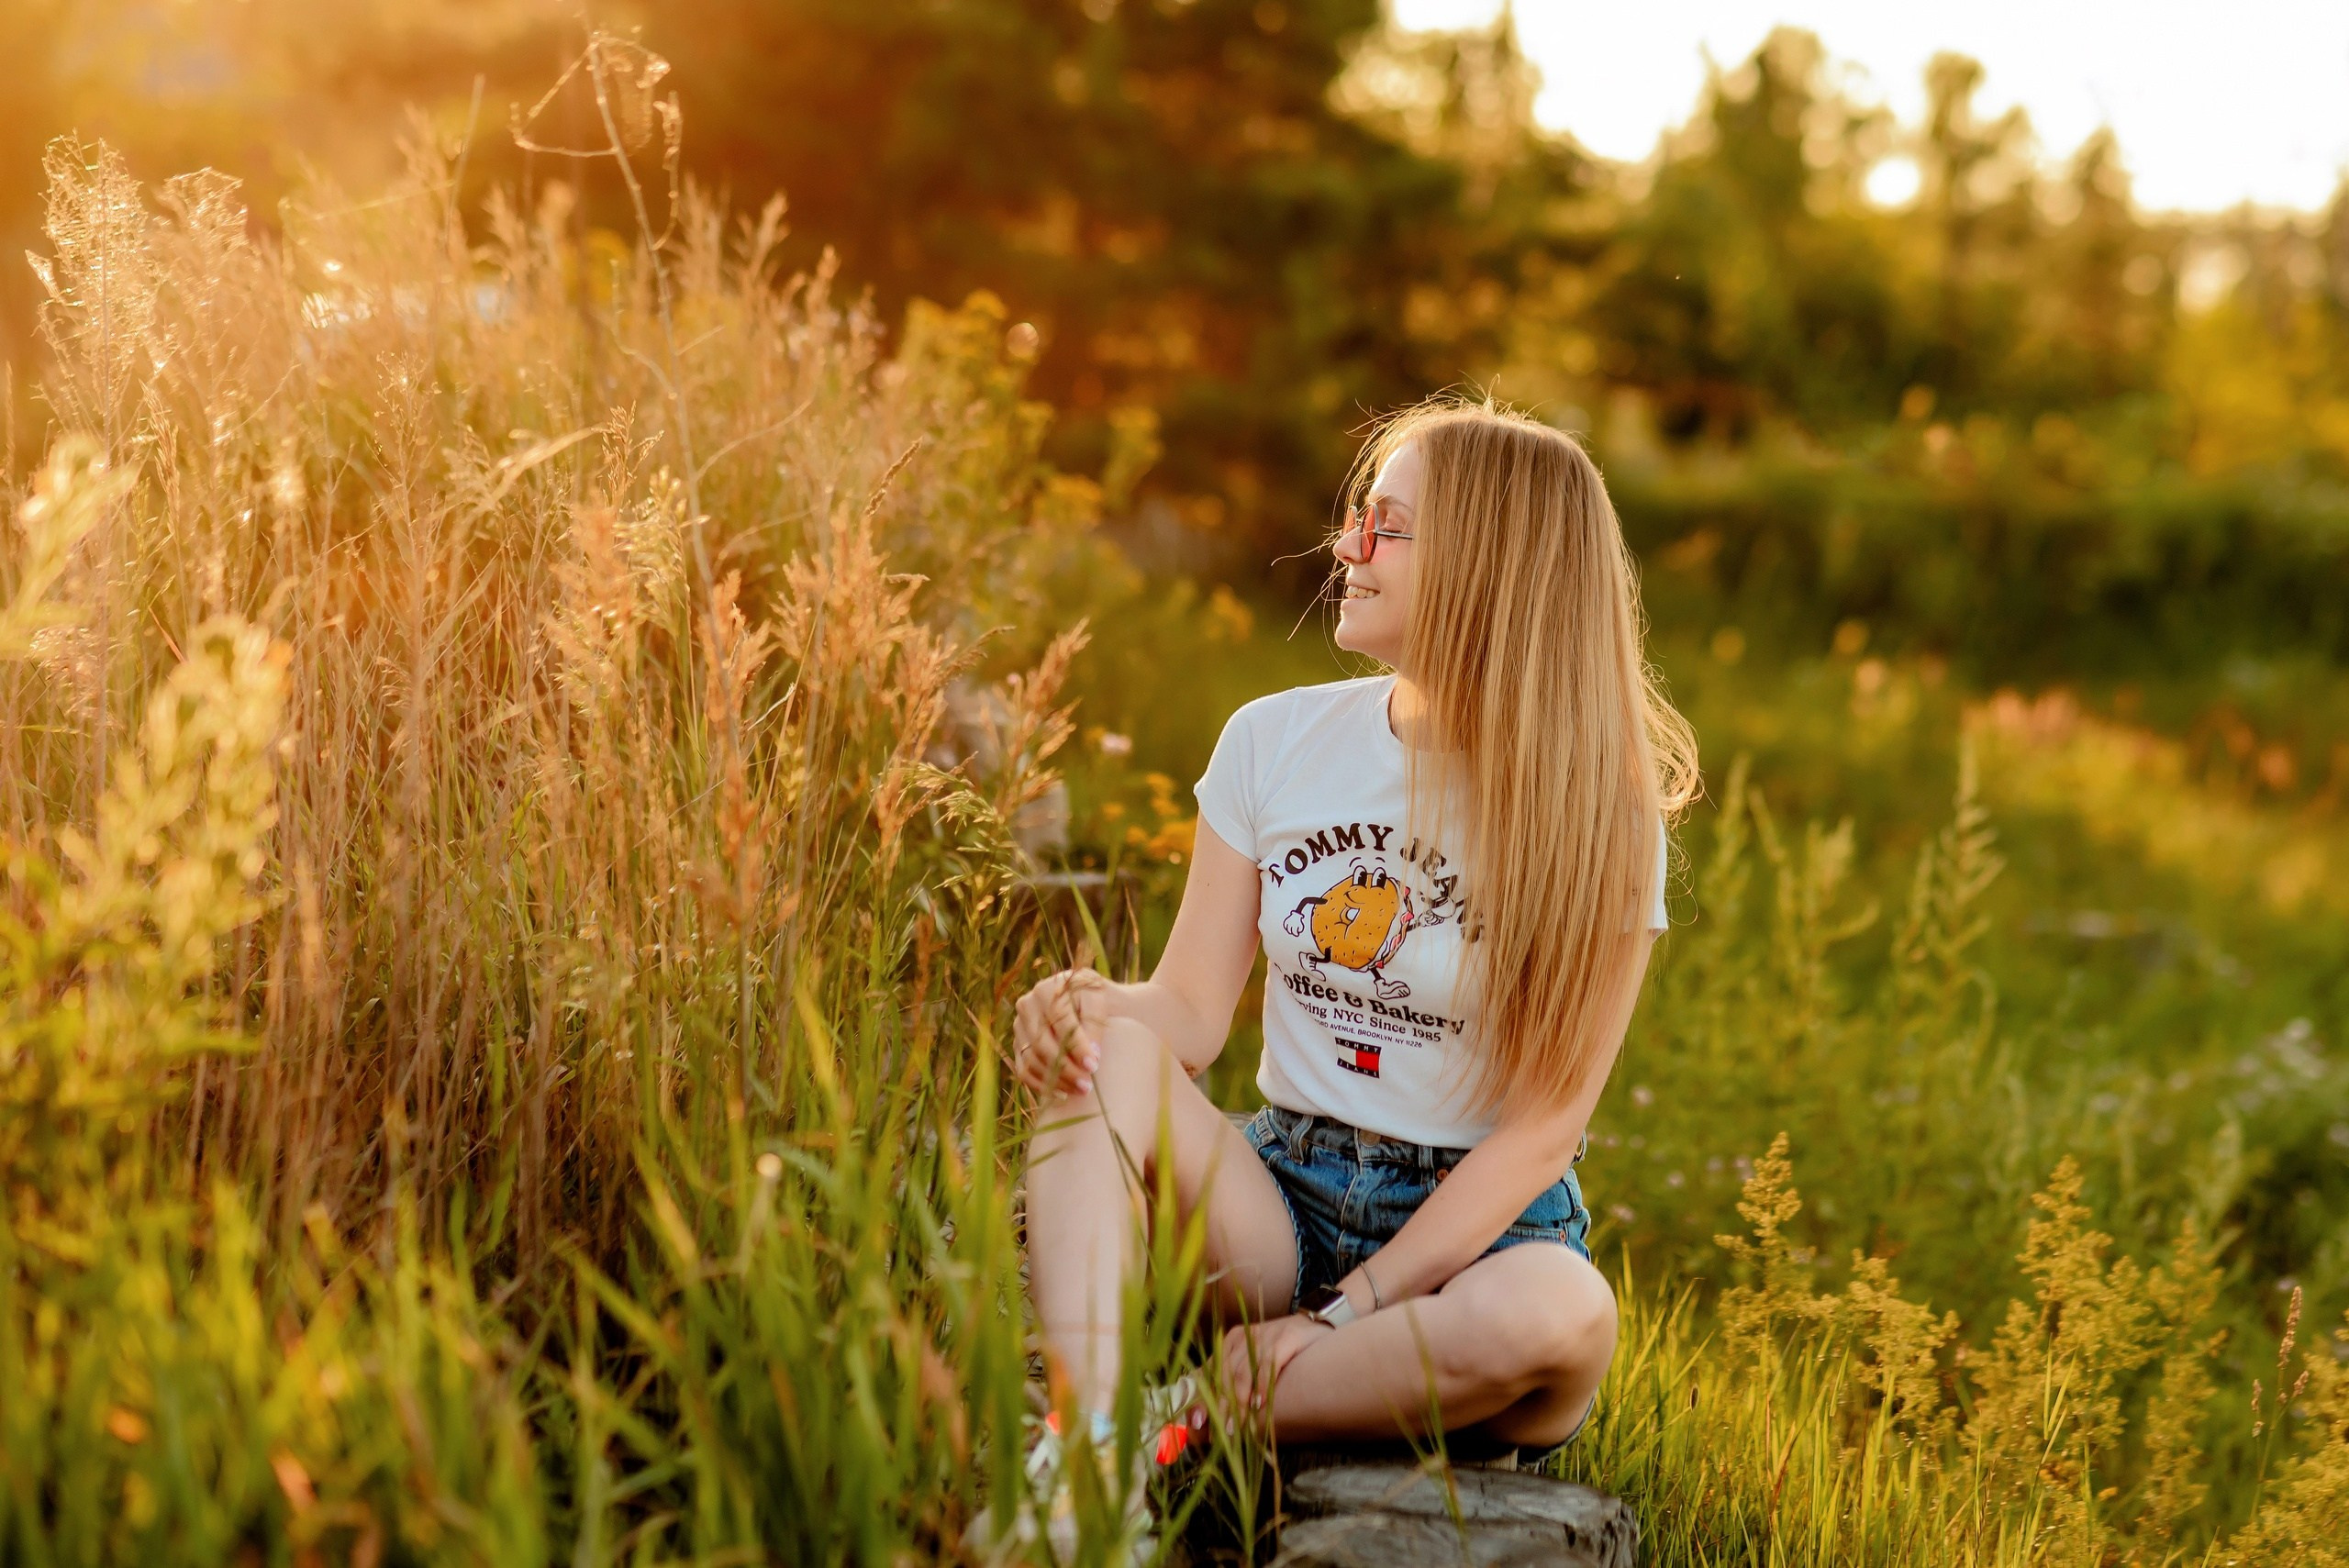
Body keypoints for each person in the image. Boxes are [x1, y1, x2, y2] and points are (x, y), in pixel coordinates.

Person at [993, 397, 1698, 1558]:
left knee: (1564, 1311)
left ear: (1487, 565)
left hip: (1481, 1232)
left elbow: (1541, 1129)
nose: (1346, 551)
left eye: (1388, 528)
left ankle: (1198, 1412)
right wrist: (1085, 1010)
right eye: (1356, 521)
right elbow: (1184, 1014)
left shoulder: (1599, 815)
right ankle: (1082, 1453)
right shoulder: (1273, 739)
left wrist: (1349, 1312)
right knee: (1104, 1049)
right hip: (1280, 1198)